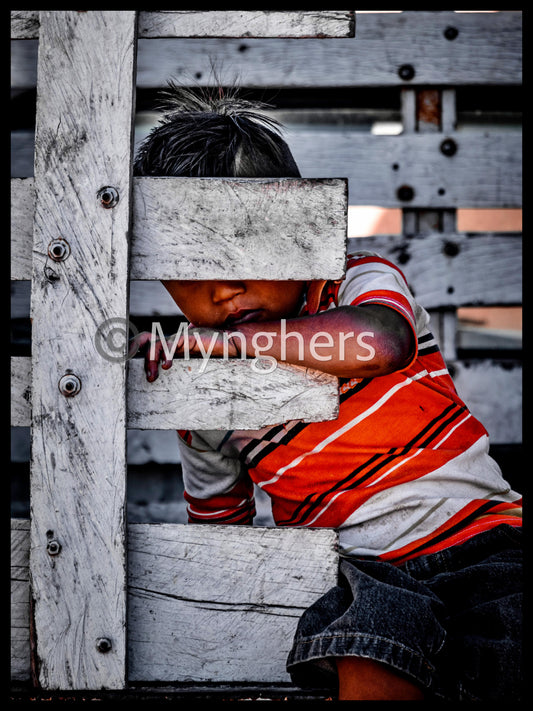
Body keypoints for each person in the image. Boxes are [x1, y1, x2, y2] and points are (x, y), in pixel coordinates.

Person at [130, 85, 523, 701]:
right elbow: (221, 526)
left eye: (244, 250)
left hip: (482, 539)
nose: (224, 288)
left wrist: (234, 345)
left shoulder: (355, 283)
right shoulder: (201, 388)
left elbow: (383, 345)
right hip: (358, 579)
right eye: (190, 268)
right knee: (363, 638)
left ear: (296, 231)